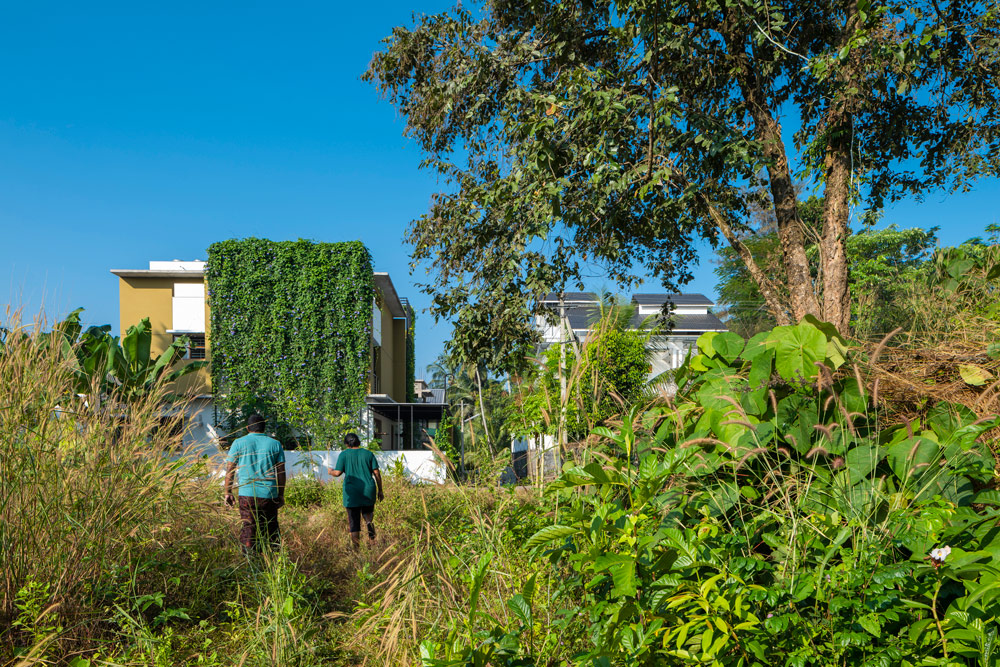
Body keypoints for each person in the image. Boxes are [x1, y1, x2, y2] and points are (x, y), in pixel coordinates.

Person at [224, 414, 285, 553]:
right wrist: (280, 494)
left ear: (247, 428)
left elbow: (230, 470)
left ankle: (250, 564)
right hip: (269, 495)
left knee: (249, 529)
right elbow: (281, 472)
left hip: (247, 495)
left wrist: (228, 492)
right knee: (271, 529)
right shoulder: (275, 444)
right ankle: (273, 562)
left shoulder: (238, 443)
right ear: (264, 428)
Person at [327, 433, 384, 548]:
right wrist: (380, 490)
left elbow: (337, 473)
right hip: (368, 489)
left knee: (354, 521)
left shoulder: (344, 455)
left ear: (347, 444)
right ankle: (372, 542)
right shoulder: (368, 454)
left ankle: (356, 549)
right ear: (359, 442)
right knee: (368, 516)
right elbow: (376, 473)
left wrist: (330, 471)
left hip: (352, 492)